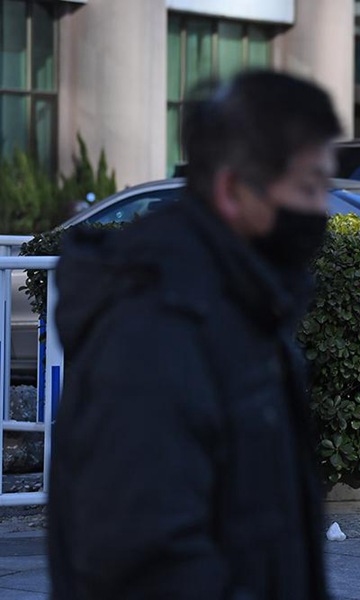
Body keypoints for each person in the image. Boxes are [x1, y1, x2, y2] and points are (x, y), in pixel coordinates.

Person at [47, 70, 341, 598]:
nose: (321, 211)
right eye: (307, 187)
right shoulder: (152, 330)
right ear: (231, 188)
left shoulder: (245, 307)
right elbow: (144, 562)